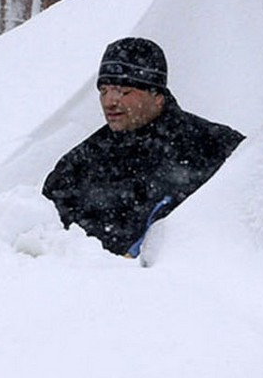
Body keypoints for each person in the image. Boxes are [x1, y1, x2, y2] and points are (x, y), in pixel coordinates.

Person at [42, 37, 244, 256]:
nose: (109, 101)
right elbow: (43, 238)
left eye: (123, 91)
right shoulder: (78, 166)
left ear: (157, 96)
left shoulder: (216, 147)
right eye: (103, 91)